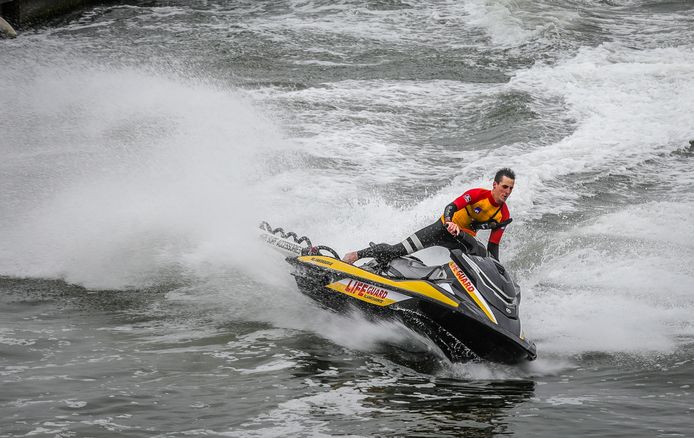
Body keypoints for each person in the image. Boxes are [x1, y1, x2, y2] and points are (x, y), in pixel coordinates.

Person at [342, 168, 516, 265]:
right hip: (440, 229)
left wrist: (498, 268)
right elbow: (451, 207)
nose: (507, 192)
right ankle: (355, 255)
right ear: (495, 184)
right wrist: (449, 223)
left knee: (476, 269)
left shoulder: (504, 215)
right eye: (504, 187)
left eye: (510, 188)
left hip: (462, 241)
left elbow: (493, 247)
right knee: (397, 250)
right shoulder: (478, 194)